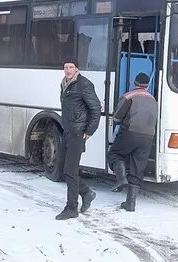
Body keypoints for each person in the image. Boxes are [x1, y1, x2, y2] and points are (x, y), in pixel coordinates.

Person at [55, 57, 101, 220]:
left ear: (77, 69)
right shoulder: (65, 84)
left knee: (71, 170)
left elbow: (96, 108)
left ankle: (71, 208)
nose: (68, 70)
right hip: (67, 131)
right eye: (65, 67)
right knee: (63, 168)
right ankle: (86, 192)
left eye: (71, 67)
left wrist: (89, 130)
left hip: (78, 132)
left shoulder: (84, 84)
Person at [108, 72, 157, 211]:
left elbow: (117, 117)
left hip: (130, 134)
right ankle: (130, 203)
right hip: (148, 137)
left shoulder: (128, 96)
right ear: (147, 86)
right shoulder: (153, 100)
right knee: (138, 168)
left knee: (114, 154)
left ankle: (121, 178)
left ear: (134, 83)